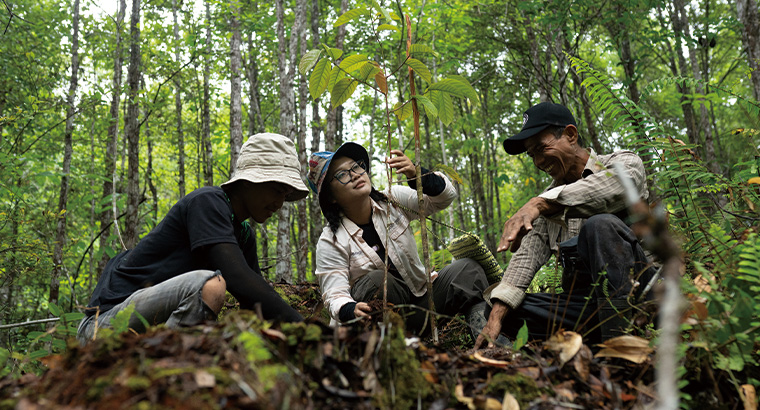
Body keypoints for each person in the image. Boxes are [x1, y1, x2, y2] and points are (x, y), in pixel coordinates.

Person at [78, 133, 308, 344]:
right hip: (103, 326)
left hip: (146, 325)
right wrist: (302, 326)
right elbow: (237, 277)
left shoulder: (244, 235)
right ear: (249, 181)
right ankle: (169, 370)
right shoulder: (207, 201)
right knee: (210, 285)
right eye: (277, 190)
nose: (280, 204)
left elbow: (253, 298)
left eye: (286, 195)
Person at [474, 102, 657, 348]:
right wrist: (494, 320)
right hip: (586, 308)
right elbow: (523, 263)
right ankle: (596, 339)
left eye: (541, 148)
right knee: (499, 309)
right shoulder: (546, 205)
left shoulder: (624, 163)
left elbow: (614, 187)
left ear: (571, 135)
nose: (538, 161)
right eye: (532, 155)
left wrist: (539, 204)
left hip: (642, 297)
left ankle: (620, 349)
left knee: (600, 225)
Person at [308, 142, 490, 338]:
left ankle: (487, 341)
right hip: (377, 321)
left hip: (423, 303)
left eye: (356, 166)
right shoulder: (331, 241)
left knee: (468, 270)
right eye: (342, 174)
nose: (355, 174)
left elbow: (444, 198)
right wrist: (351, 309)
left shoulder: (392, 200)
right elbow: (334, 294)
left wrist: (416, 175)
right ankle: (394, 352)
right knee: (377, 281)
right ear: (331, 197)